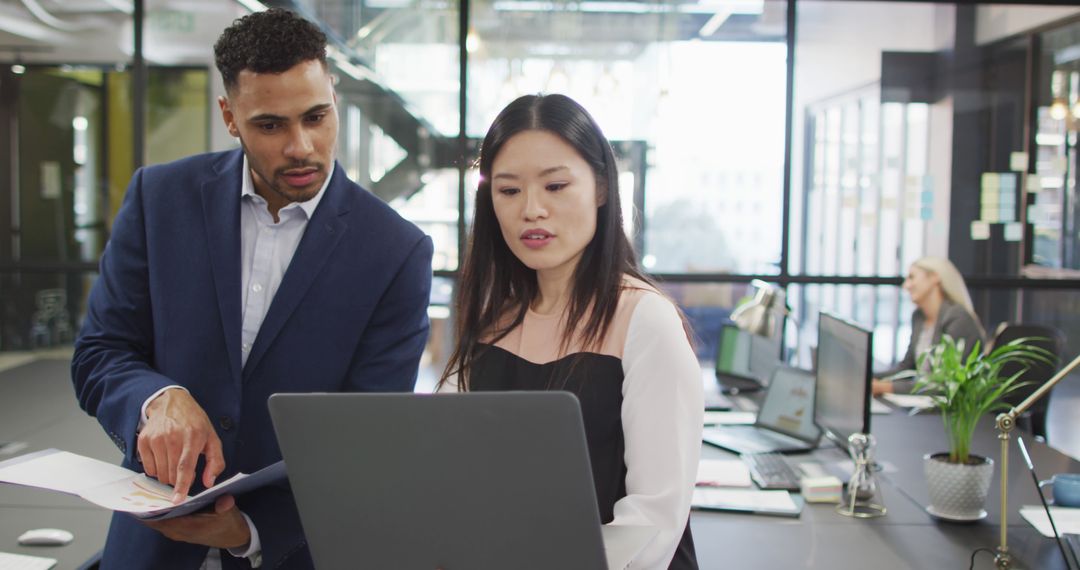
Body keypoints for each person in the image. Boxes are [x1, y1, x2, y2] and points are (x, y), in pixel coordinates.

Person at [71, 9, 433, 569]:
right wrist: (154, 399)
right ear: (229, 116)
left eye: (317, 116)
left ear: (333, 95)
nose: (301, 146)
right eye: (271, 124)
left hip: (290, 551)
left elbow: (364, 442)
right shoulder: (159, 199)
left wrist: (247, 529)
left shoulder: (396, 251)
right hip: (150, 548)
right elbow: (100, 353)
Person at [438, 94, 703, 570]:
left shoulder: (644, 319)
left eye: (556, 185)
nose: (532, 210)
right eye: (509, 190)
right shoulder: (492, 319)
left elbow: (653, 522)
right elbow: (456, 477)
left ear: (601, 187)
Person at [872, 257, 984, 395]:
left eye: (912, 277)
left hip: (947, 408)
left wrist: (885, 387)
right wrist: (868, 378)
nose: (906, 285)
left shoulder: (957, 319)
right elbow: (907, 369)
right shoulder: (919, 316)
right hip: (921, 401)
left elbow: (946, 383)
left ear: (934, 278)